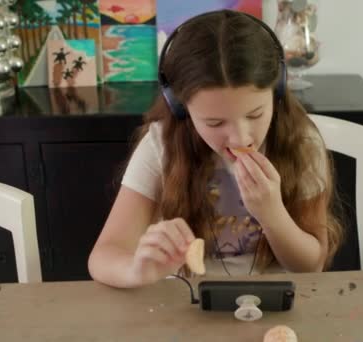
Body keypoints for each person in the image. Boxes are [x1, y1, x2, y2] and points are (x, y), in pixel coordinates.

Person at [88, 9, 343, 288]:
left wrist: (272, 214)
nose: (240, 138)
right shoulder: (162, 146)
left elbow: (310, 267)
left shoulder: (301, 143)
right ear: (181, 108)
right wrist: (135, 270)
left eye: (255, 115)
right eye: (215, 122)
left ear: (277, 91)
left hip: (272, 299)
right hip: (184, 301)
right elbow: (103, 256)